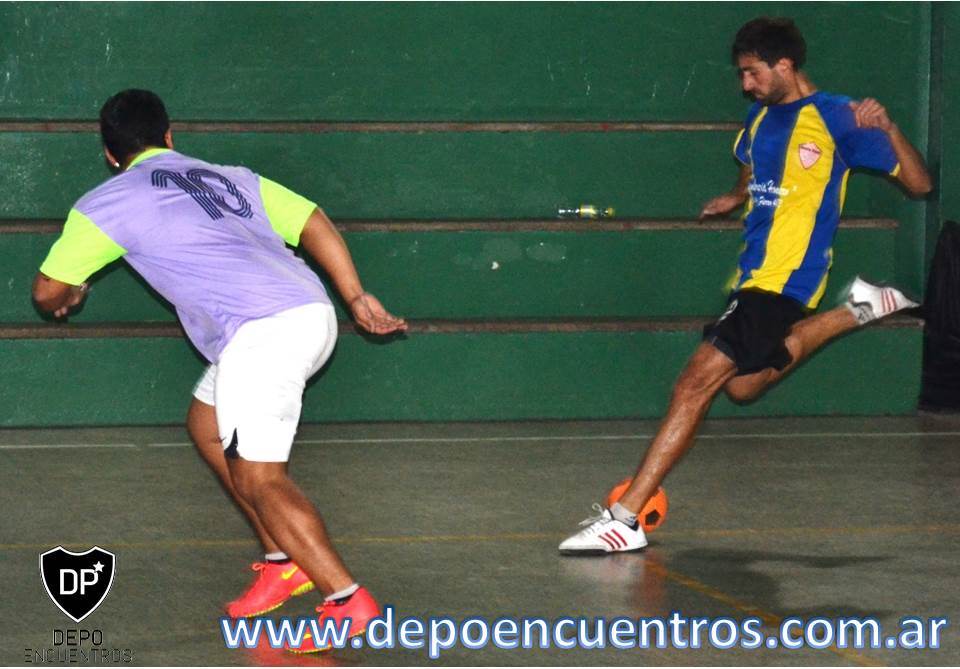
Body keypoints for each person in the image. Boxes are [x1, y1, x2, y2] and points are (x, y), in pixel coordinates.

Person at [32, 89, 406, 651]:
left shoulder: (105, 204)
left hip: (264, 333)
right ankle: (283, 562)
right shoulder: (230, 177)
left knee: (260, 478)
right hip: (308, 311)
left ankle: (346, 600)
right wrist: (354, 295)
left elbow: (46, 293)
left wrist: (72, 291)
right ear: (169, 136)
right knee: (206, 424)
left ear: (110, 154)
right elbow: (311, 219)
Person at [559, 17, 932, 554]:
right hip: (753, 276)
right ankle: (857, 308)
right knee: (742, 386)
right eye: (742, 73)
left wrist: (890, 128)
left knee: (693, 384)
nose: (745, 84)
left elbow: (919, 184)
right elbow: (750, 164)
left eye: (753, 72)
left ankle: (626, 518)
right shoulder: (758, 116)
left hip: (787, 278)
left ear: (786, 65)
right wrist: (736, 196)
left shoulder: (839, 118)